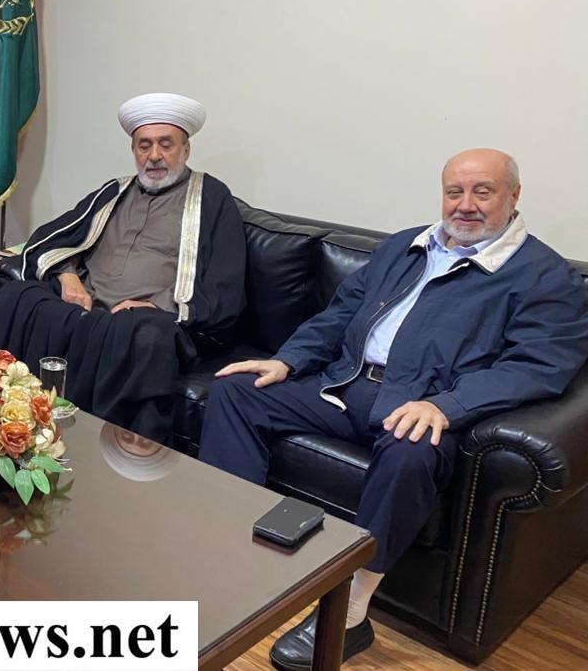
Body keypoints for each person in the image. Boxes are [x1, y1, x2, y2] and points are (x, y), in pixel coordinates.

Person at [198, 148, 588, 671]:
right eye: (454, 191)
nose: (465, 205)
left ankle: (351, 613)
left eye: (483, 192)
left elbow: (538, 365)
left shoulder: (544, 275)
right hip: (345, 385)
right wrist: (287, 360)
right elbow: (339, 314)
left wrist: (448, 405)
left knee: (411, 450)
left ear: (514, 196)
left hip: (424, 405)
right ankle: (235, 550)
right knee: (237, 390)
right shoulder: (405, 246)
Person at [0, 93, 246, 444]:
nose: (154, 155)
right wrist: (68, 276)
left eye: (166, 144)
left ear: (186, 149)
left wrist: (156, 306)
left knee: (147, 336)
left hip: (145, 319)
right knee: (15, 295)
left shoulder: (211, 197)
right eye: (144, 145)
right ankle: (0, 419)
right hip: (86, 307)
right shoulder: (115, 191)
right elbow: (51, 237)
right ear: (134, 150)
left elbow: (225, 282)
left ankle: (103, 447)